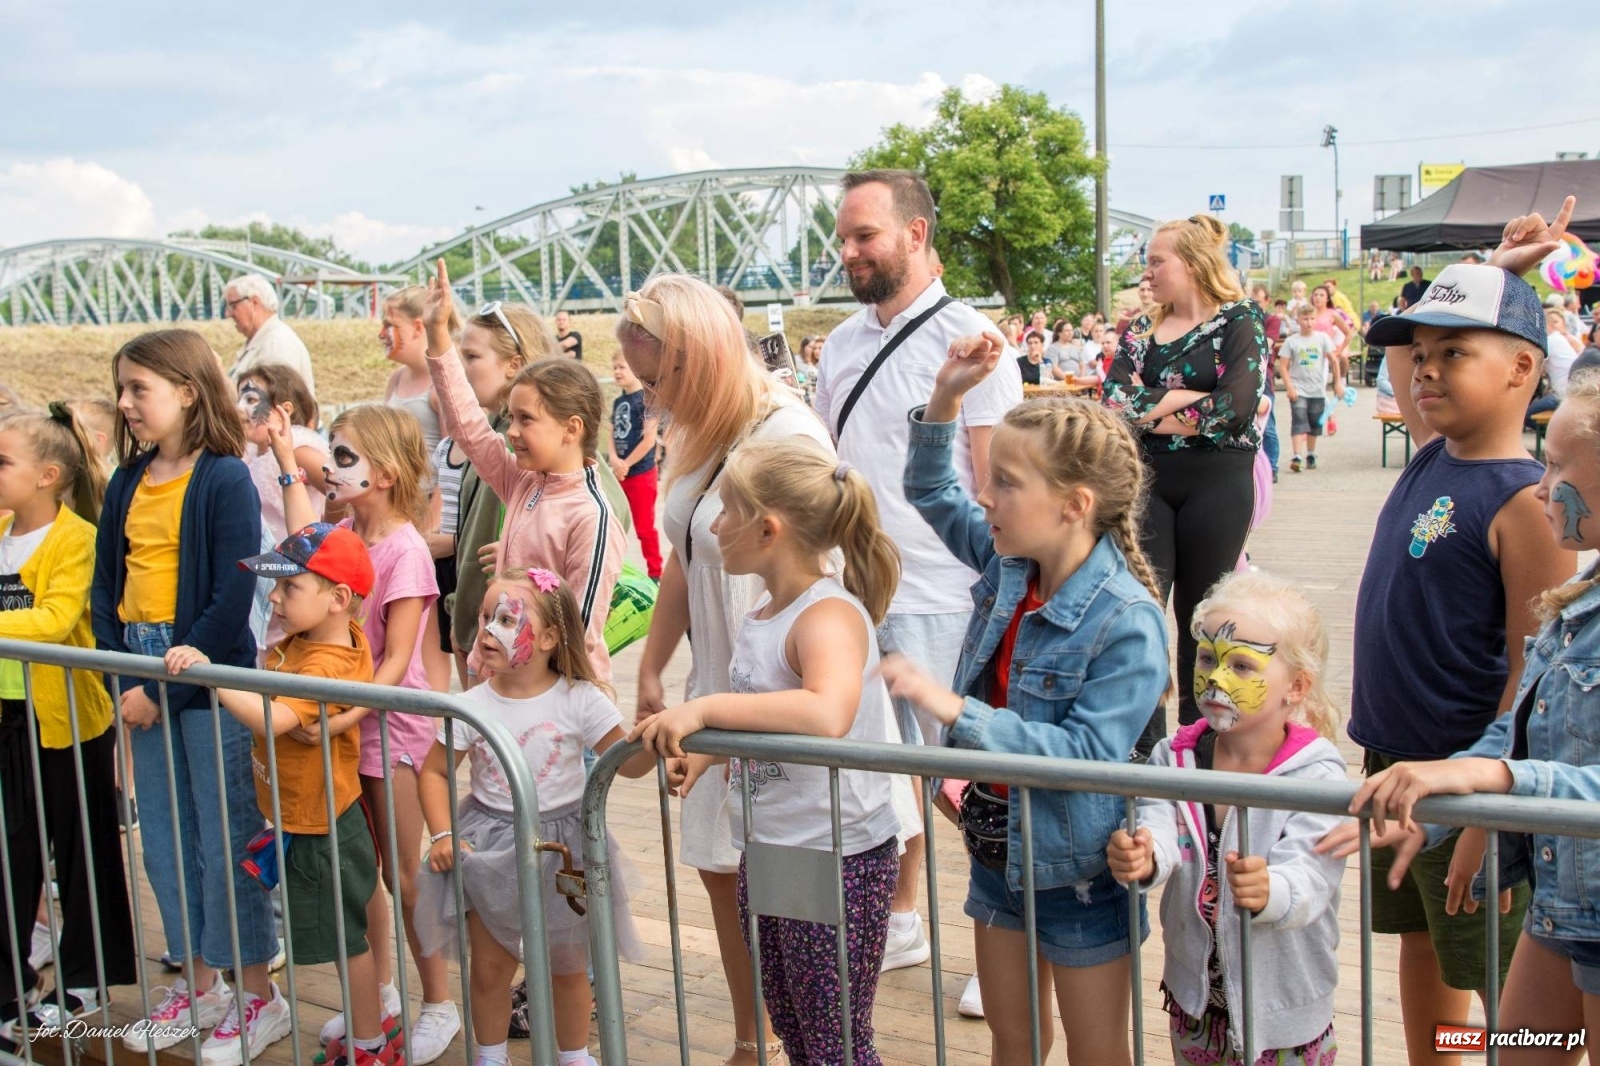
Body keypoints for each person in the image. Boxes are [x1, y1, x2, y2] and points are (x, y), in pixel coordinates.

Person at [1319, 206, 1581, 1065]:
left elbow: (1534, 670)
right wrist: (1493, 271)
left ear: (1522, 368)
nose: (1426, 371)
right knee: (1422, 941)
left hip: (1464, 771)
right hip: (1395, 763)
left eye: (1455, 353)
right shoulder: (1435, 450)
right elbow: (1399, 355)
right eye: (1423, 354)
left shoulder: (1523, 500)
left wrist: (1487, 817)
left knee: (1501, 977)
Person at [880, 340, 1169, 1066]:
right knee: (1014, 1041)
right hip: (997, 853)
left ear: (1075, 506)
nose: (985, 497)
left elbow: (1085, 756)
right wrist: (946, 398)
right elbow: (932, 492)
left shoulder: (1127, 621)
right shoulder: (1011, 563)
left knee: (1097, 1052)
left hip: (1078, 872)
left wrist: (955, 710)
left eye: (1006, 483)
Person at [813, 169, 1023, 1006]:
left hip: (943, 591)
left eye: (864, 235)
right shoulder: (840, 343)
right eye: (843, 237)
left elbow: (996, 482)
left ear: (916, 233)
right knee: (885, 770)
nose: (849, 252)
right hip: (856, 590)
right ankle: (903, 917)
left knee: (963, 780)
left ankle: (1004, 936)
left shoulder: (973, 340)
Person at [1344, 370, 1600, 1058]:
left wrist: (1498, 786)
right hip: (1564, 901)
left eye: (1557, 467)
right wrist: (1454, 800)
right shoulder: (1578, 604)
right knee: (1524, 1046)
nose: (1542, 487)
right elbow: (1522, 725)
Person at [631, 437, 903, 1066]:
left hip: (836, 854)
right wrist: (709, 753)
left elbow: (826, 712)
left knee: (835, 1038)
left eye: (725, 511)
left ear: (767, 529)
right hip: (773, 845)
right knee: (795, 1023)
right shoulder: (765, 610)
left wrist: (706, 710)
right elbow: (765, 708)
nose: (714, 527)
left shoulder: (826, 615)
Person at [618, 272, 831, 1065]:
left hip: (773, 691)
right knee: (720, 866)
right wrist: (654, 662)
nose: (652, 400)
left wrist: (743, 706)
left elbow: (817, 580)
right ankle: (753, 1035)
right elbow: (685, 550)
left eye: (658, 380)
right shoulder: (699, 428)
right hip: (713, 686)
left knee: (782, 884)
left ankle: (801, 1036)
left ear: (696, 359)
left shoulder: (787, 435)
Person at [91, 330, 279, 1059]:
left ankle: (257, 993)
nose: (125, 402)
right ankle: (201, 985)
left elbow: (231, 597)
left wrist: (160, 690)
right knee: (168, 842)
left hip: (203, 678)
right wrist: (125, 674)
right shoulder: (127, 480)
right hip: (142, 670)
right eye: (122, 388)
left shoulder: (225, 478)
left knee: (226, 838)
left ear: (188, 391)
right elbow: (108, 584)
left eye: (139, 388)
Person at [167, 525, 397, 1066]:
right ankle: (368, 1029)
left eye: (290, 587)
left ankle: (368, 1045)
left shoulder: (326, 661)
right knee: (346, 936)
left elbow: (273, 720)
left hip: (320, 824)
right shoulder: (323, 637)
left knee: (345, 941)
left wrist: (211, 675)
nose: (273, 598)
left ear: (338, 598)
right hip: (309, 815)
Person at [276, 405, 461, 1062]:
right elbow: (300, 551)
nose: (329, 466)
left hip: (393, 730)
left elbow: (396, 662)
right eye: (331, 452)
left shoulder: (406, 552)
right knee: (364, 874)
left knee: (406, 875)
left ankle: (438, 1003)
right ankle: (379, 994)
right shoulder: (343, 531)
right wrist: (284, 462)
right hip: (350, 727)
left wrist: (340, 717)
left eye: (343, 456)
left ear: (383, 473)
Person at [1109, 570, 1346, 1066]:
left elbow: (1313, 873)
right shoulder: (1174, 759)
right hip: (1196, 1007)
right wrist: (1145, 853)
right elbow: (1158, 823)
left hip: (1283, 1016)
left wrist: (1273, 889)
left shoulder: (1317, 776)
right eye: (1207, 658)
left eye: (1241, 665)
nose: (1216, 677)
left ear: (1296, 687)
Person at [416, 569, 650, 1066]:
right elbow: (434, 771)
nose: (487, 630)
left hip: (564, 849)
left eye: (506, 619)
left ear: (548, 638)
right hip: (490, 846)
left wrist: (659, 738)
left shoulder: (580, 698)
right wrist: (442, 833)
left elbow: (626, 763)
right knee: (490, 968)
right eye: (485, 616)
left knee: (568, 966)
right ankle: (490, 1056)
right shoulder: (471, 707)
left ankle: (573, 1055)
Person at [1101, 215, 1268, 755]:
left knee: (1204, 619)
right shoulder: (1140, 330)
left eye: (1156, 260)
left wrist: (1152, 409)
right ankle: (1142, 745)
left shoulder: (1240, 319)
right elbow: (1113, 402)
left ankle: (1200, 744)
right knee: (1141, 610)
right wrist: (1197, 403)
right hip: (1148, 481)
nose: (1146, 271)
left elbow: (1237, 408)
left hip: (1219, 482)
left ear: (1193, 264)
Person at [0, 405, 135, 1046]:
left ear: (48, 475)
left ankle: (87, 973)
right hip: (9, 718)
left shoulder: (77, 539)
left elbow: (55, 620)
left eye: (3, 462)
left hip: (68, 722)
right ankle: (10, 984)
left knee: (82, 851)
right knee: (12, 854)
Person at [424, 264, 621, 686]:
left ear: (572, 428)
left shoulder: (591, 514)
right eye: (510, 418)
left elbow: (580, 629)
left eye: (525, 419)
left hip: (550, 695)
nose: (510, 432)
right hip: (507, 682)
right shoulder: (523, 480)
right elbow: (468, 425)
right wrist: (437, 336)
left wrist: (527, 694)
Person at [607, 356, 663, 581]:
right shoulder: (618, 402)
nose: (617, 371)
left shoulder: (648, 400)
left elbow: (649, 440)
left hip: (641, 474)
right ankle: (612, 572)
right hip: (620, 474)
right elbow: (611, 433)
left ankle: (655, 574)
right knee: (613, 525)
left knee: (644, 528)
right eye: (614, 367)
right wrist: (614, 459)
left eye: (622, 366)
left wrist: (626, 464)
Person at [223, 274, 316, 396]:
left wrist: (218, 373)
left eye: (233, 306)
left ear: (254, 302)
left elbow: (270, 400)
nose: (228, 314)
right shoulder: (265, 340)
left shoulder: (276, 344)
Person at [381, 287, 449, 455]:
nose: (381, 334)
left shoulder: (442, 383)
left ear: (417, 328)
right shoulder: (396, 378)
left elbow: (452, 458)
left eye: (389, 325)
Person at [1278, 306, 1336, 473]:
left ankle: (1311, 453)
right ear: (1298, 320)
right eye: (1305, 319)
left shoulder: (1322, 338)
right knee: (1298, 421)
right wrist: (1289, 387)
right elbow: (1283, 366)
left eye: (1312, 319)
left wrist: (1337, 383)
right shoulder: (1292, 341)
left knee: (1314, 424)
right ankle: (1297, 456)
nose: (1309, 322)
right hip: (1298, 388)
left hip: (1317, 389)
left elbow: (1333, 360)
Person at [1528, 306, 1582, 426]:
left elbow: (1536, 371)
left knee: (1527, 415)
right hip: (1571, 392)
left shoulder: (1550, 341)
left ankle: (1551, 435)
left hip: (1561, 395)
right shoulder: (1560, 339)